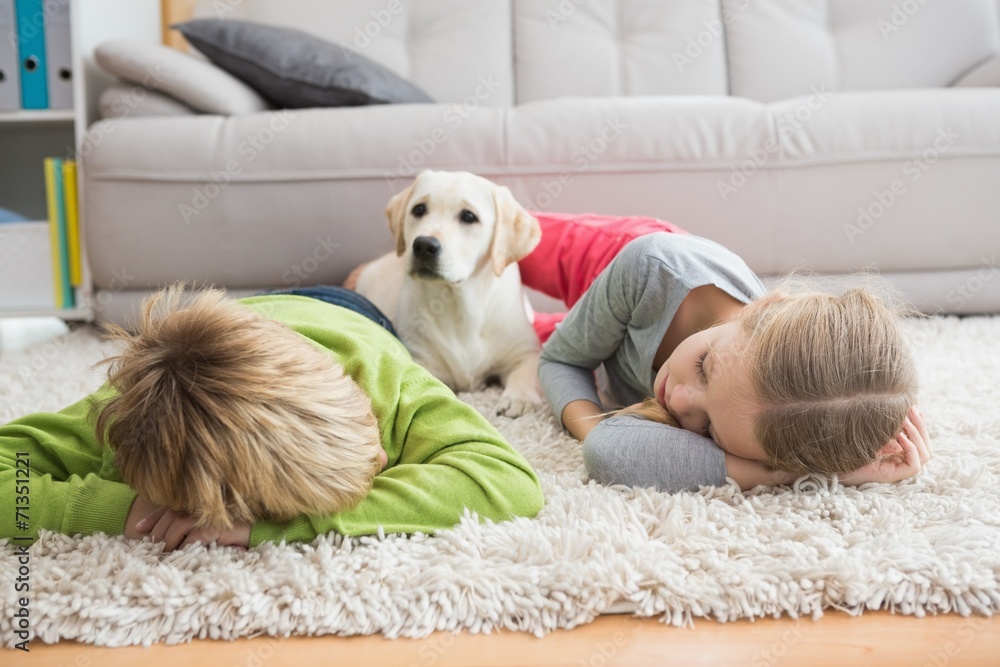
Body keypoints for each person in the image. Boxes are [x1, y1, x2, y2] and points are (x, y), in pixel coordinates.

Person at [0, 285, 543, 551]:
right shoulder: (126, 421)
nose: (385, 457)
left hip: (350, 314)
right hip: (239, 329)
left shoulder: (385, 381)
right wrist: (119, 510)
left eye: (369, 432)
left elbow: (510, 481)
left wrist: (284, 523)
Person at [519, 211, 933, 492]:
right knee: (501, 238)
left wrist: (805, 472)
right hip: (623, 264)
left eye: (708, 433)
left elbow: (611, 451)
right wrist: (594, 427)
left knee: (500, 340)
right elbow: (563, 359)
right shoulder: (652, 267)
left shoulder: (782, 408)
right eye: (704, 367)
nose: (678, 401)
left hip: (609, 348)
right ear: (767, 305)